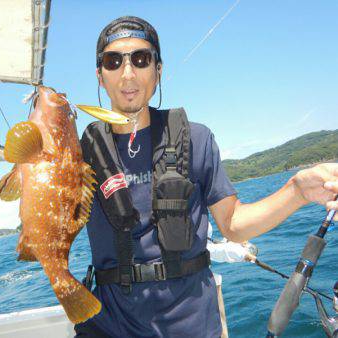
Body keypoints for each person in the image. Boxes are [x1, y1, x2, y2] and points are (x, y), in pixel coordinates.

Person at [75, 16, 338, 338]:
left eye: (141, 59)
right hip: (108, 325)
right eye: (113, 61)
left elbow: (233, 224)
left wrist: (297, 191)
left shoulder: (194, 138)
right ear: (100, 76)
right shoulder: (76, 156)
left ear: (158, 70)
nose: (128, 73)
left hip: (191, 323)